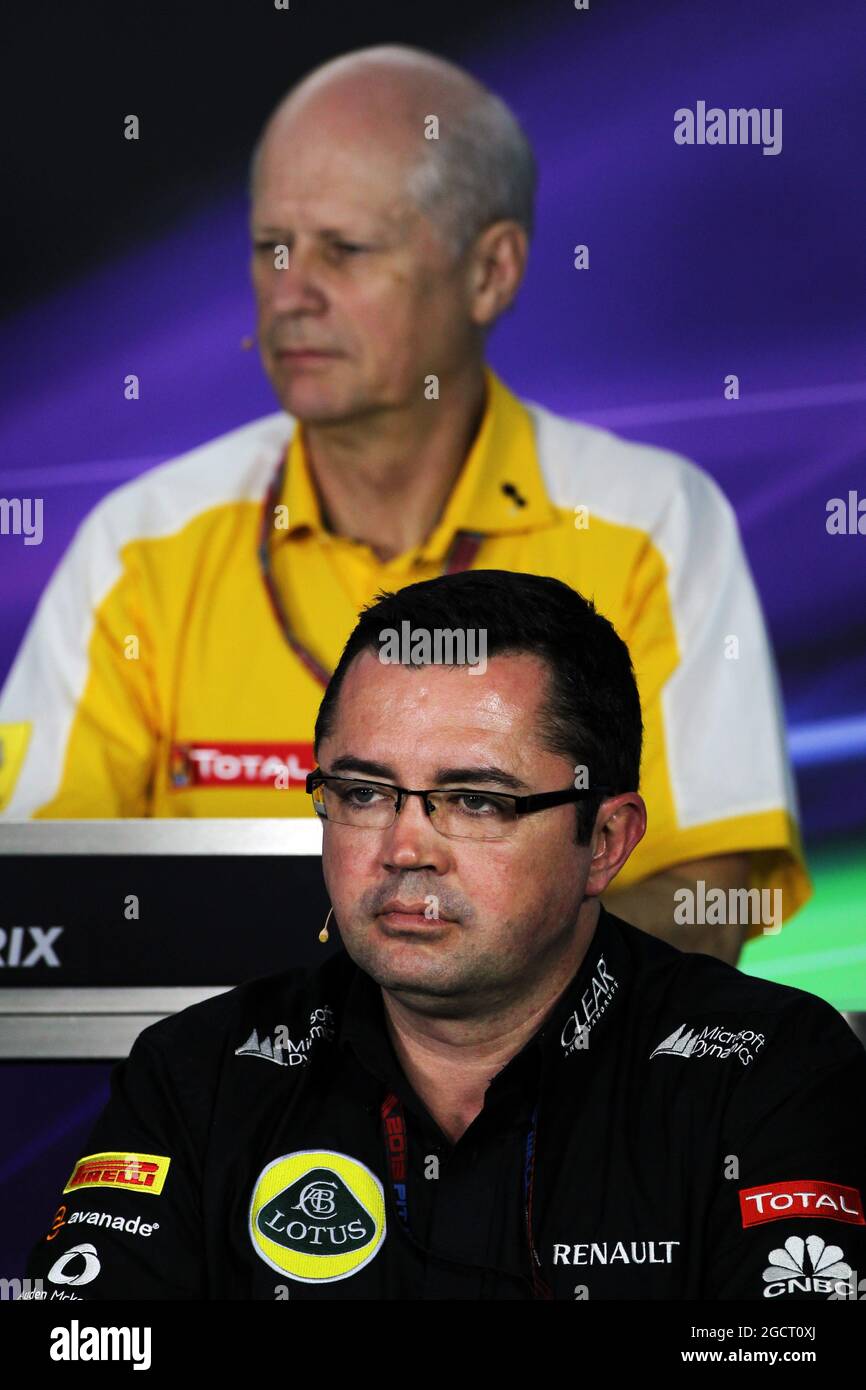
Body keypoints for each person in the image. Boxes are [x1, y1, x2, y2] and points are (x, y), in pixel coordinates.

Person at [0, 44, 809, 963]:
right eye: (272, 248)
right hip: (214, 1099)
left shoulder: (653, 523)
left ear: (490, 271)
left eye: (345, 249)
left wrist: (436, 1032)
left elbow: (708, 897)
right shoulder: (139, 543)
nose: (290, 295)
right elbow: (33, 908)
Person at [21, 572, 865, 1301]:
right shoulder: (196, 1075)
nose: (403, 848)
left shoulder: (769, 1070)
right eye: (360, 792)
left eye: (476, 800)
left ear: (604, 843)